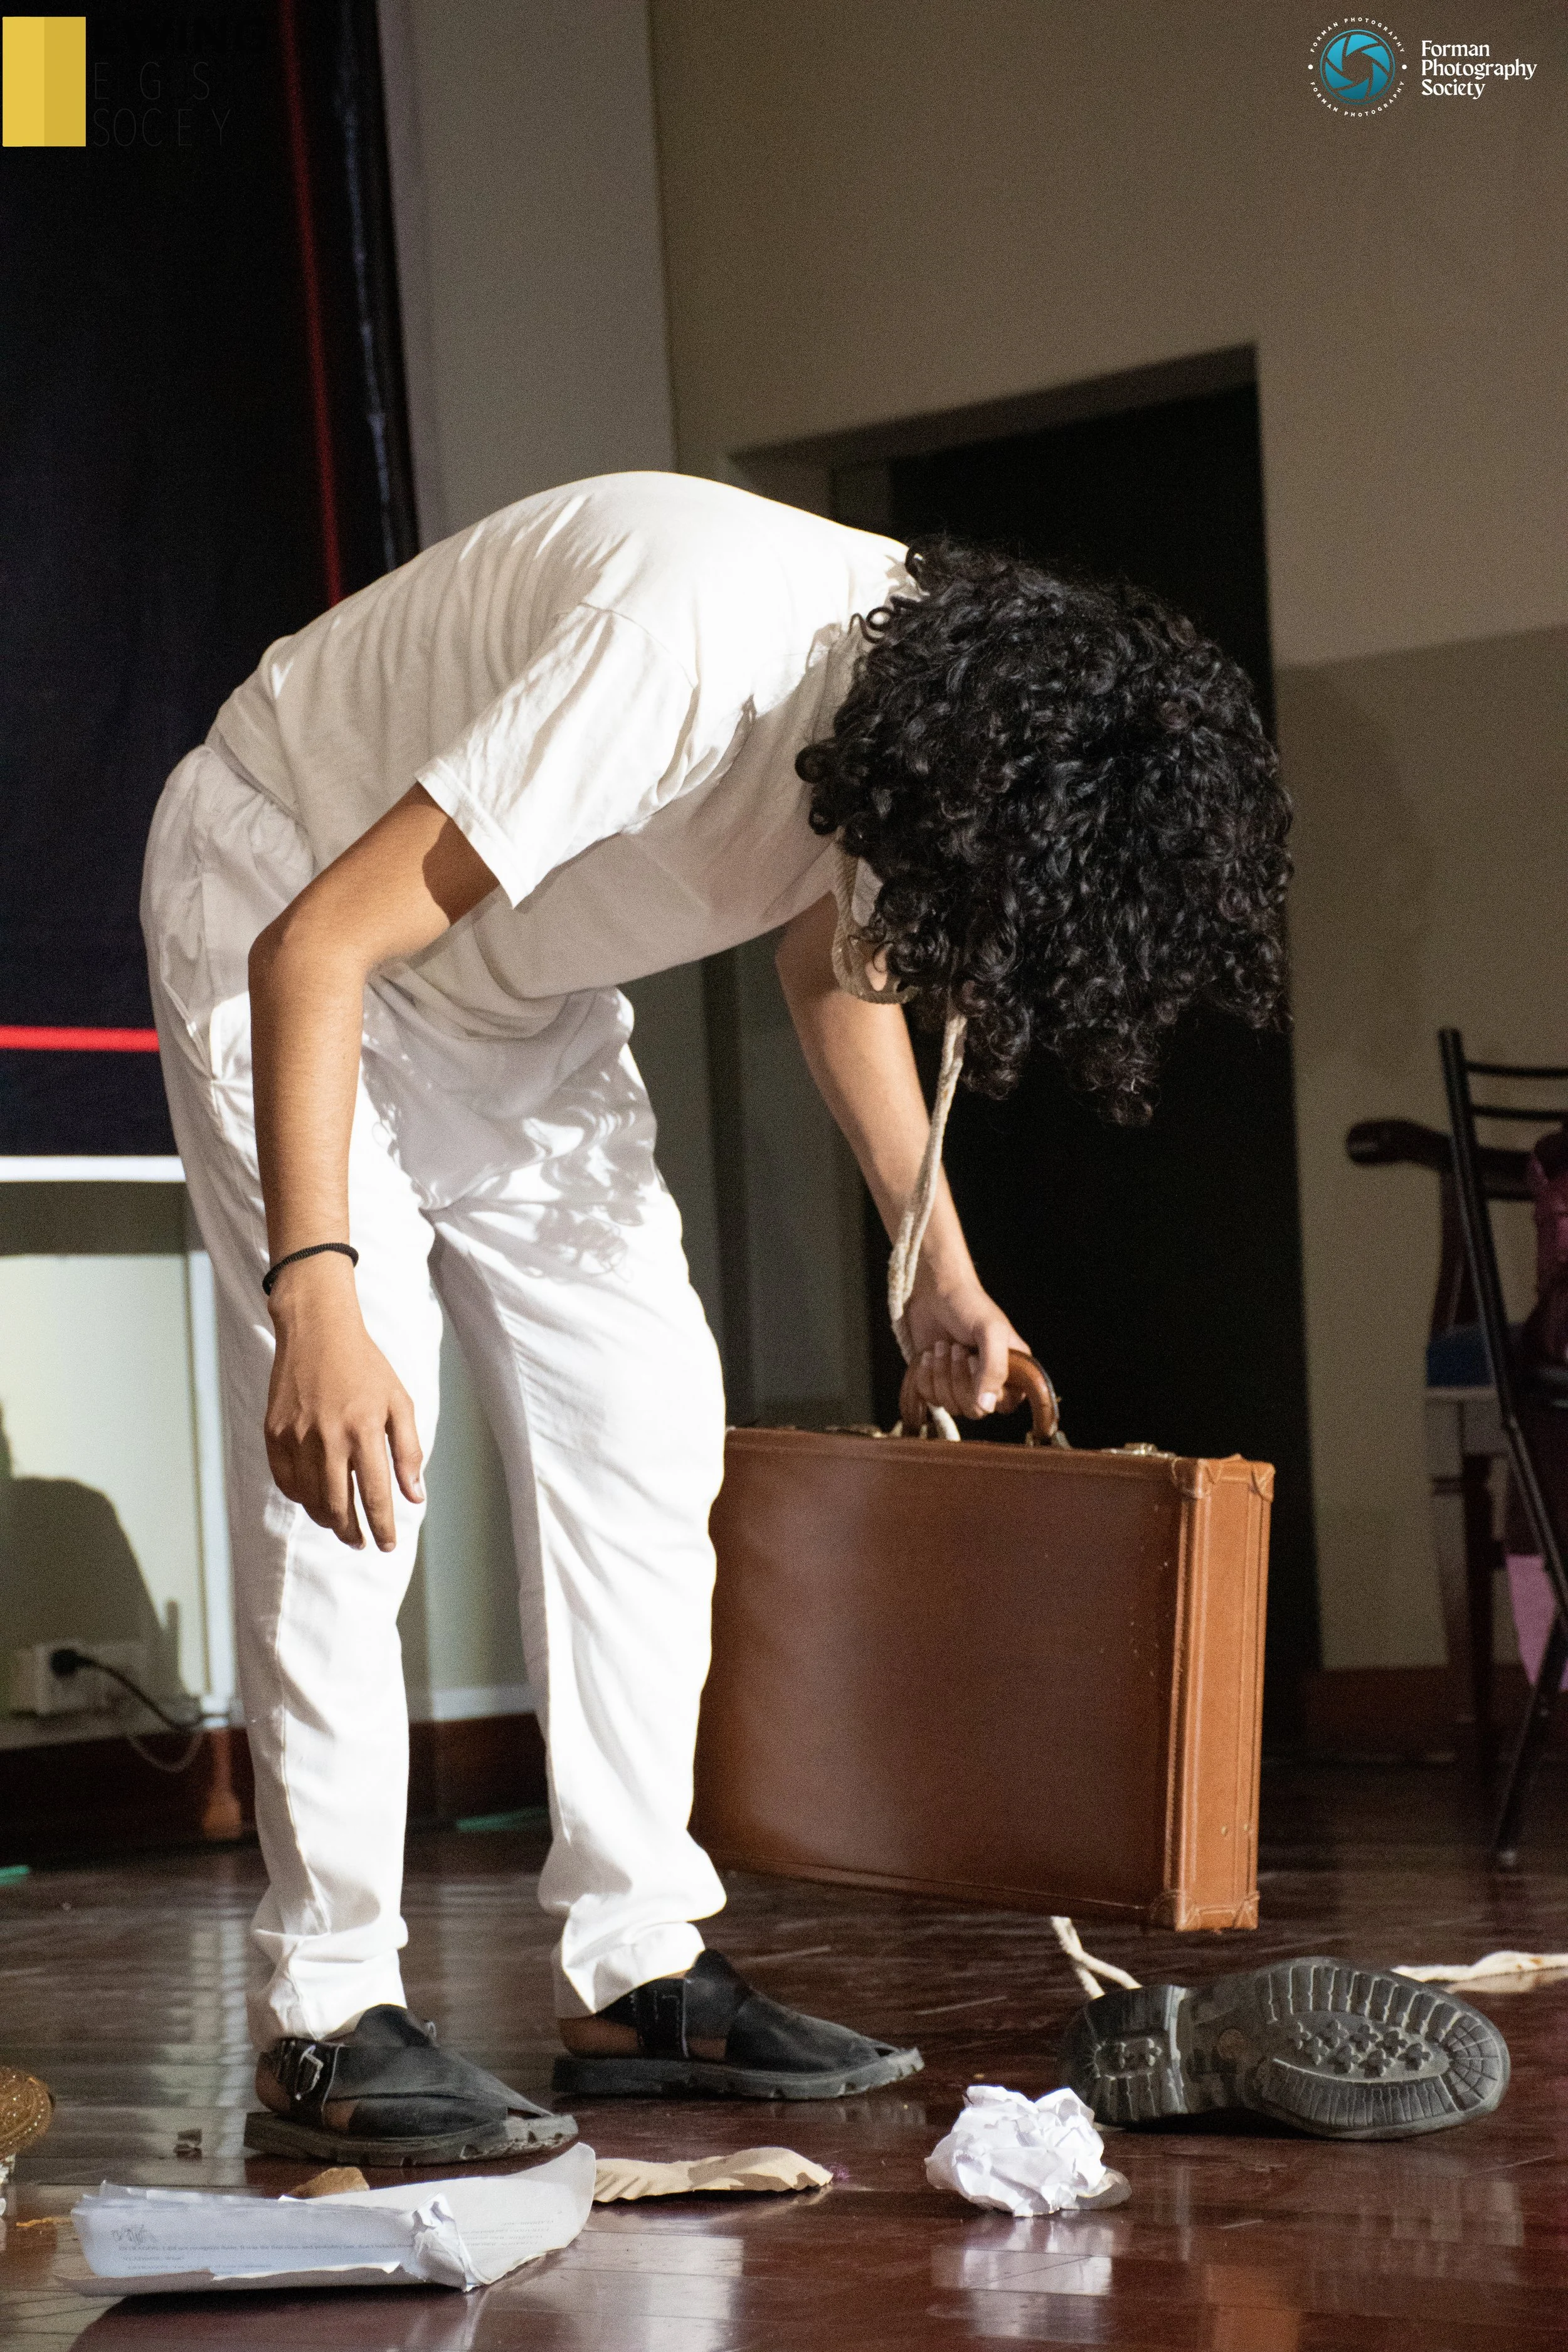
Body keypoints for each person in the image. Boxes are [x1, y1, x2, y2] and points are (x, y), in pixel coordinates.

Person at [141, 470, 1290, 2163]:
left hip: (508, 997)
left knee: (646, 1424)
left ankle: (633, 1971)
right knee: (361, 1471)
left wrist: (936, 1263)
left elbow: (832, 959)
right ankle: (329, 2010)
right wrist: (317, 1290)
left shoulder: (928, 721)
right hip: (282, 891)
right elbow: (321, 944)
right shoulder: (688, 645)